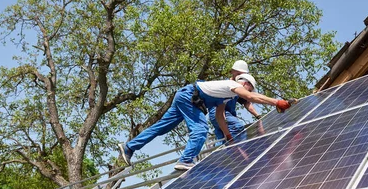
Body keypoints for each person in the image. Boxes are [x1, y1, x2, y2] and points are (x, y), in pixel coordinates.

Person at [118, 73, 293, 171]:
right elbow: (250, 97)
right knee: (201, 130)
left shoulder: (226, 95)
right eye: (249, 87)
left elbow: (219, 117)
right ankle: (185, 160)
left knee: (161, 127)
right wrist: (276, 102)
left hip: (186, 96)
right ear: (245, 83)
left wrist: (228, 135)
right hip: (190, 98)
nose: (247, 91)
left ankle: (130, 147)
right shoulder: (230, 85)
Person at [209, 60, 261, 145]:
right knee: (237, 128)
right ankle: (242, 151)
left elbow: (247, 103)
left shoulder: (240, 87)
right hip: (218, 113)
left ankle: (227, 155)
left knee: (223, 140)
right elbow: (220, 107)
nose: (241, 75)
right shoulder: (227, 85)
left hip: (227, 114)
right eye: (239, 73)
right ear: (233, 72)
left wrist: (258, 116)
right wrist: (223, 118)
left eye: (243, 74)